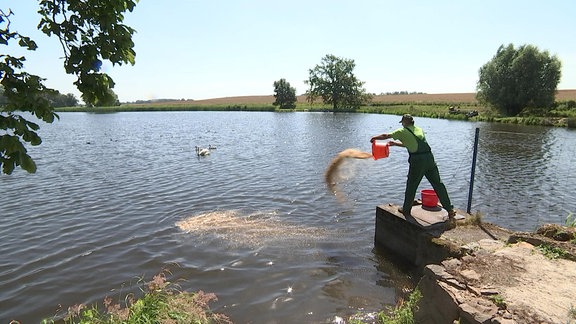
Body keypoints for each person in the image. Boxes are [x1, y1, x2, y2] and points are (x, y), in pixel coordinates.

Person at [370, 114, 456, 219]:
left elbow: (385, 136)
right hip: (429, 159)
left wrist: (374, 138)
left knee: (412, 185)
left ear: (405, 123)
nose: (402, 125)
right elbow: (412, 143)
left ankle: (406, 209)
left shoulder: (402, 131)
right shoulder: (419, 129)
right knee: (438, 184)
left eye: (402, 123)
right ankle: (450, 209)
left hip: (418, 161)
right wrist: (396, 144)